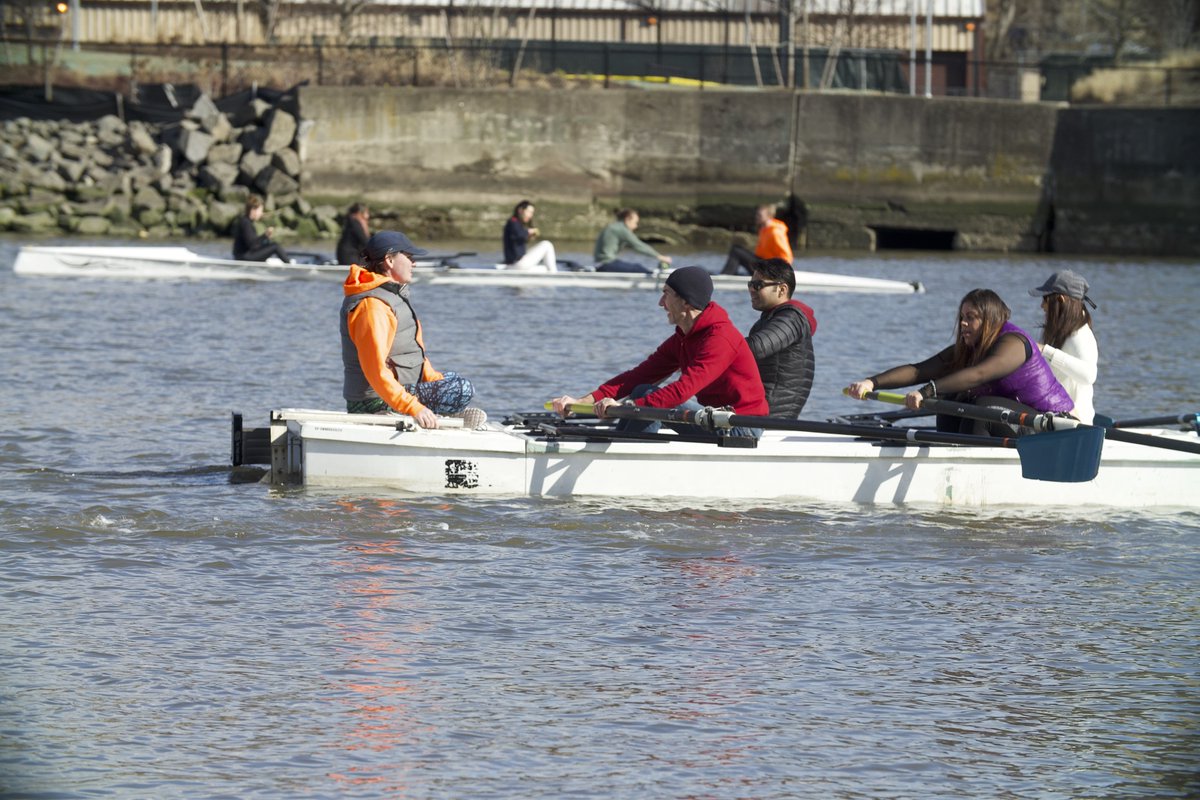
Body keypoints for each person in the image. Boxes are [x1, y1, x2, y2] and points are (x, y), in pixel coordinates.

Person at [550, 266, 767, 438]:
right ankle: (623, 444)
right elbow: (637, 376)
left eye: (666, 294)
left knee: (645, 395)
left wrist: (629, 407)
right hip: (712, 418)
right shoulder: (683, 337)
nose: (660, 303)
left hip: (740, 427)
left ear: (686, 302)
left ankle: (627, 453)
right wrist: (585, 401)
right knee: (642, 388)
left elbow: (683, 390)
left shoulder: (720, 338)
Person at [845, 288, 1073, 436]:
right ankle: (948, 450)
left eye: (971, 318)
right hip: (1018, 421)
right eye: (962, 318)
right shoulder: (970, 348)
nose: (963, 324)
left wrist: (926, 391)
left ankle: (968, 463)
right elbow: (919, 370)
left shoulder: (1013, 343)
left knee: (982, 406)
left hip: (1052, 427)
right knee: (953, 398)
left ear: (990, 320)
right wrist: (871, 383)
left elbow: (979, 375)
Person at [341, 231, 477, 429]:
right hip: (372, 401)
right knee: (462, 390)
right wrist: (413, 408)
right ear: (389, 260)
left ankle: (441, 410)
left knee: (453, 381)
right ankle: (431, 412)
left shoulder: (390, 296)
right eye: (409, 257)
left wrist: (435, 381)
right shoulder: (372, 306)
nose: (414, 263)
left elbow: (412, 353)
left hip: (397, 392)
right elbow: (376, 370)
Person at [745, 258, 818, 418]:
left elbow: (755, 348)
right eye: (750, 284)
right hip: (756, 411)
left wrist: (709, 352)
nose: (751, 290)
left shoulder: (791, 318)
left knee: (679, 404)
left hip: (768, 419)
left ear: (782, 289)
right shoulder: (772, 318)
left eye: (758, 285)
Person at [1029, 270, 1099, 424]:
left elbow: (1089, 375)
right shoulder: (1064, 332)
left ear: (1060, 299)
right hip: (1055, 418)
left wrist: (1046, 350)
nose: (1042, 306)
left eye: (1045, 299)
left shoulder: (1080, 335)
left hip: (1075, 424)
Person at [593, 208, 673, 274]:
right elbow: (638, 245)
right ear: (627, 219)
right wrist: (660, 256)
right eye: (635, 223)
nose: (636, 226)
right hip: (607, 264)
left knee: (636, 267)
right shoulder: (621, 229)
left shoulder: (615, 227)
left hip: (602, 263)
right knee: (637, 268)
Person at [721, 204, 793, 275]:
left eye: (759, 215)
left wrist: (781, 274)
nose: (756, 217)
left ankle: (725, 275)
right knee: (736, 248)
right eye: (757, 215)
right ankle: (730, 274)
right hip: (762, 262)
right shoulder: (763, 229)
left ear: (769, 216)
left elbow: (787, 256)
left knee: (736, 252)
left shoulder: (775, 232)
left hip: (769, 268)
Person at [503, 200, 557, 271]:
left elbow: (517, 238)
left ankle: (553, 274)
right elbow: (519, 234)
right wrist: (529, 231)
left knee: (545, 269)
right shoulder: (513, 222)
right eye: (529, 212)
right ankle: (555, 275)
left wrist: (528, 236)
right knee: (547, 244)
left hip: (516, 266)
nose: (530, 215)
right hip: (516, 265)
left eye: (532, 213)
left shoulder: (516, 223)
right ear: (520, 210)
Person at [232, 195, 290, 262]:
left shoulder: (246, 221)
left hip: (245, 255)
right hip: (244, 257)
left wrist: (266, 239)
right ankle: (292, 268)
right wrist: (265, 235)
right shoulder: (245, 223)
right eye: (260, 210)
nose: (261, 213)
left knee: (270, 245)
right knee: (275, 246)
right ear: (253, 210)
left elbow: (254, 243)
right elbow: (253, 245)